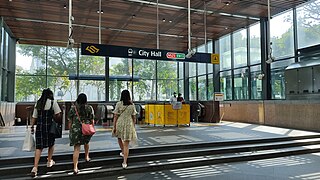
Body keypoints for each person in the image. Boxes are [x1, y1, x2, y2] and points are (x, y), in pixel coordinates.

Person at [30, 88, 62, 177]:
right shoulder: (53, 102)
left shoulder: (38, 103)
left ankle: (35, 167)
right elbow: (58, 114)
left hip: (40, 127)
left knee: (39, 147)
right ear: (50, 94)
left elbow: (34, 116)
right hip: (49, 127)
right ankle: (49, 161)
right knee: (51, 144)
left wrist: (32, 126)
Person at [68, 93, 94, 175]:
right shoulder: (89, 108)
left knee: (77, 148)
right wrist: (91, 126)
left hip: (76, 129)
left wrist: (70, 129)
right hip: (86, 129)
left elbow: (70, 121)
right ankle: (87, 156)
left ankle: (75, 167)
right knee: (86, 142)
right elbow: (92, 119)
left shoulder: (73, 108)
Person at [112, 90, 138, 169]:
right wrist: (133, 126)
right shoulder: (132, 105)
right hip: (128, 124)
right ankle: (124, 162)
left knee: (119, 138)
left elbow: (115, 116)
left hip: (120, 123)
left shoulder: (119, 104)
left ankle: (123, 151)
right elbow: (134, 117)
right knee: (126, 143)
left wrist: (114, 126)